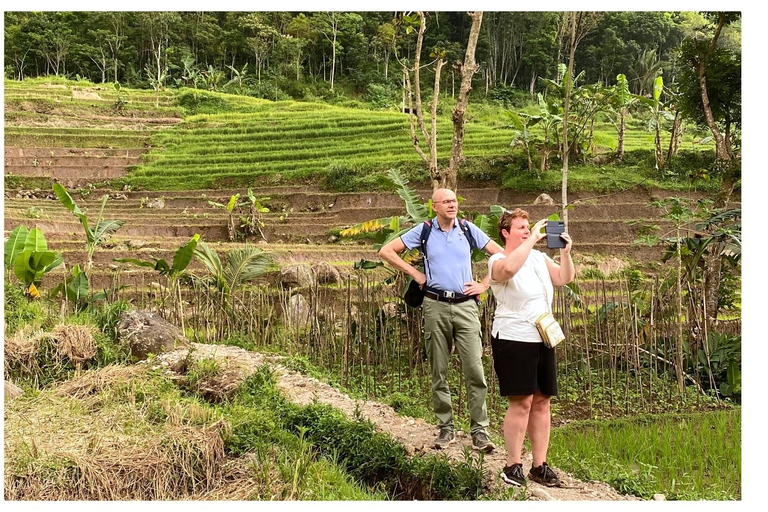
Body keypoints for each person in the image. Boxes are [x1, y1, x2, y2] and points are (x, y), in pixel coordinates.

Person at [379, 188, 503, 452]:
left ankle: (479, 431)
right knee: (439, 370)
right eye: (446, 201)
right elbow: (386, 251)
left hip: (466, 306)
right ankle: (446, 428)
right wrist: (415, 273)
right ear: (434, 206)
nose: (452, 205)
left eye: (454, 201)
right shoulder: (423, 230)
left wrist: (485, 283)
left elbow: (501, 256)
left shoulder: (468, 230)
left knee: (475, 370)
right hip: (434, 305)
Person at [487, 208, 574, 487]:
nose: (527, 231)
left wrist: (565, 253)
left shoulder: (538, 257)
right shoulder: (497, 260)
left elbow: (563, 278)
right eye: (520, 228)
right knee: (521, 401)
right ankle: (513, 464)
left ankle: (540, 464)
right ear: (505, 233)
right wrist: (532, 240)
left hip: (542, 335)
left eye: (528, 226)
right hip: (513, 337)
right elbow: (509, 270)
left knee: (542, 399)